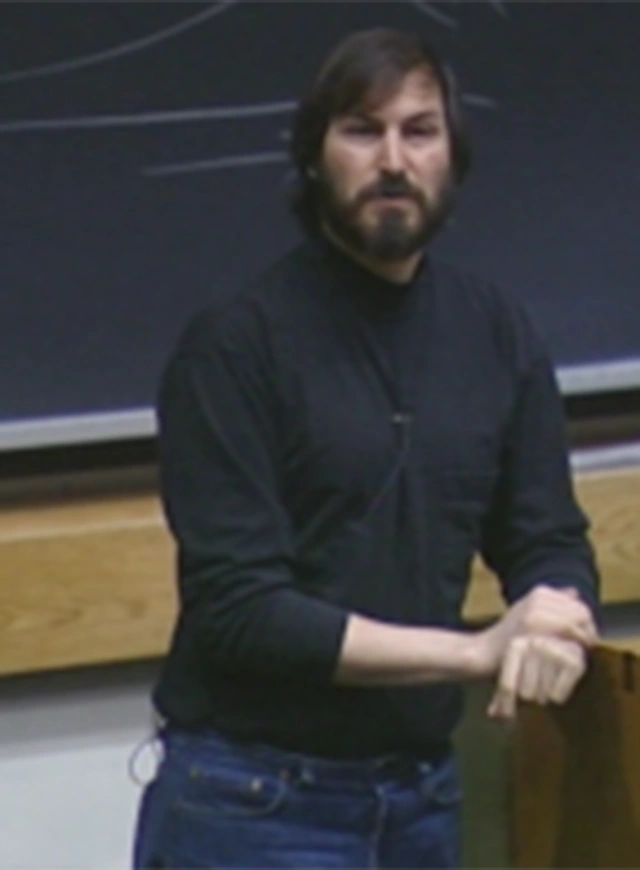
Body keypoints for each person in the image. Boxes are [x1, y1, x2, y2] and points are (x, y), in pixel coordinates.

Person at [132, 27, 600, 870]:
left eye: (419, 132)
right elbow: (241, 610)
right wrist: (476, 652)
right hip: (253, 803)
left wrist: (555, 618)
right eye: (361, 130)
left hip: (423, 796)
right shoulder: (235, 344)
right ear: (315, 158)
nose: (393, 160)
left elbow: (547, 535)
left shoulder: (495, 331)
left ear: (453, 157)